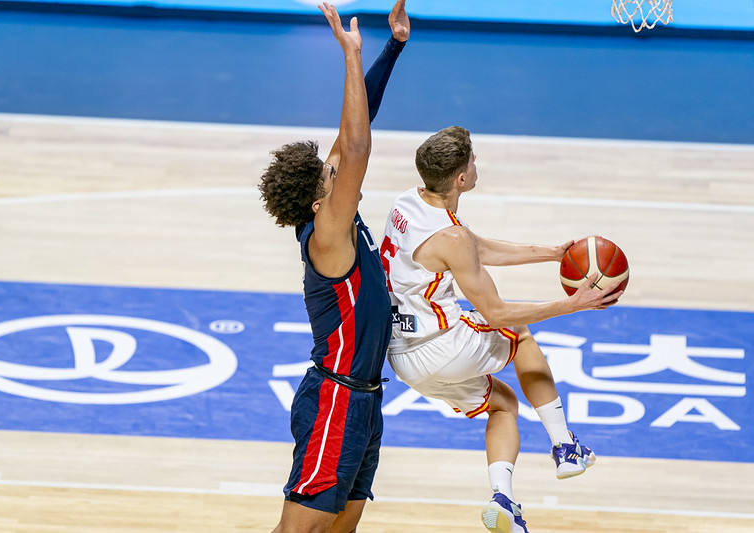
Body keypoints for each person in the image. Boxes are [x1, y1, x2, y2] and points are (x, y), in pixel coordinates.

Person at [380, 126, 622, 533]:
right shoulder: (451, 236)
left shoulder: (408, 204)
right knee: (521, 334)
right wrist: (571, 304)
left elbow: (478, 249)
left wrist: (551, 254)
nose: (477, 164)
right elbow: (497, 313)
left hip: (403, 354)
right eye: (472, 160)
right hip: (442, 345)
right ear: (460, 178)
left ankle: (503, 500)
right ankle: (565, 446)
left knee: (503, 404)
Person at [258, 2, 409, 532]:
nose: (338, 171)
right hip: (335, 400)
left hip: (364, 400)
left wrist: (392, 48)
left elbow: (353, 129)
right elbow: (360, 148)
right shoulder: (325, 239)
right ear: (320, 205)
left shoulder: (330, 220)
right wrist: (350, 54)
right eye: (329, 178)